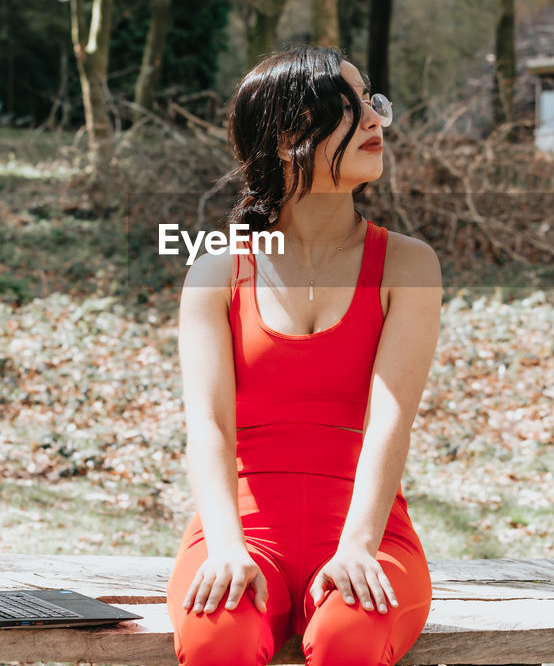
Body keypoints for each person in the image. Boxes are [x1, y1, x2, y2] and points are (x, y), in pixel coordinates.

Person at [165, 45, 443, 666]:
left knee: (349, 641)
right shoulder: (216, 272)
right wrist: (225, 547)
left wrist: (359, 547)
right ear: (288, 134)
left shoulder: (408, 264)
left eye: (372, 103)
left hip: (367, 532)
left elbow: (389, 421)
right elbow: (208, 427)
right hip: (240, 530)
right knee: (218, 641)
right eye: (347, 109)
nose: (374, 120)